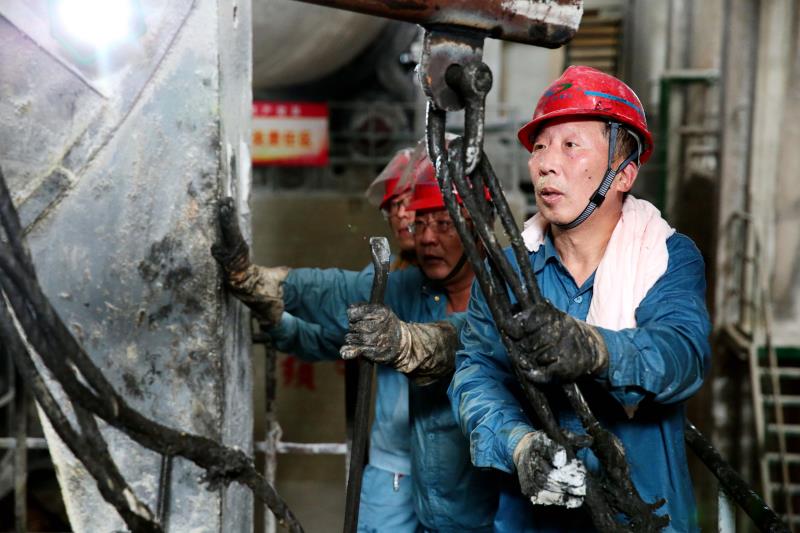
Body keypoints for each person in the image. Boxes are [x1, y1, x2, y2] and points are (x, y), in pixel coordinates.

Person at [448, 65, 712, 532]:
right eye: (540, 146)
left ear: (623, 174)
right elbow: (477, 371)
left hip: (644, 510)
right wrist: (518, 444)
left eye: (571, 145)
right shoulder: (507, 270)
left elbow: (682, 354)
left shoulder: (665, 257)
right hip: (534, 517)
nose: (546, 164)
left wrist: (596, 349)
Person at [213, 147, 497, 531]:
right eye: (418, 221)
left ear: (478, 227)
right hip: (401, 469)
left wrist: (406, 341)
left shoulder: (504, 292)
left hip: (477, 486)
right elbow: (336, 295)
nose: (425, 235)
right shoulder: (404, 286)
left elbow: (464, 337)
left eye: (443, 223)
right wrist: (255, 283)